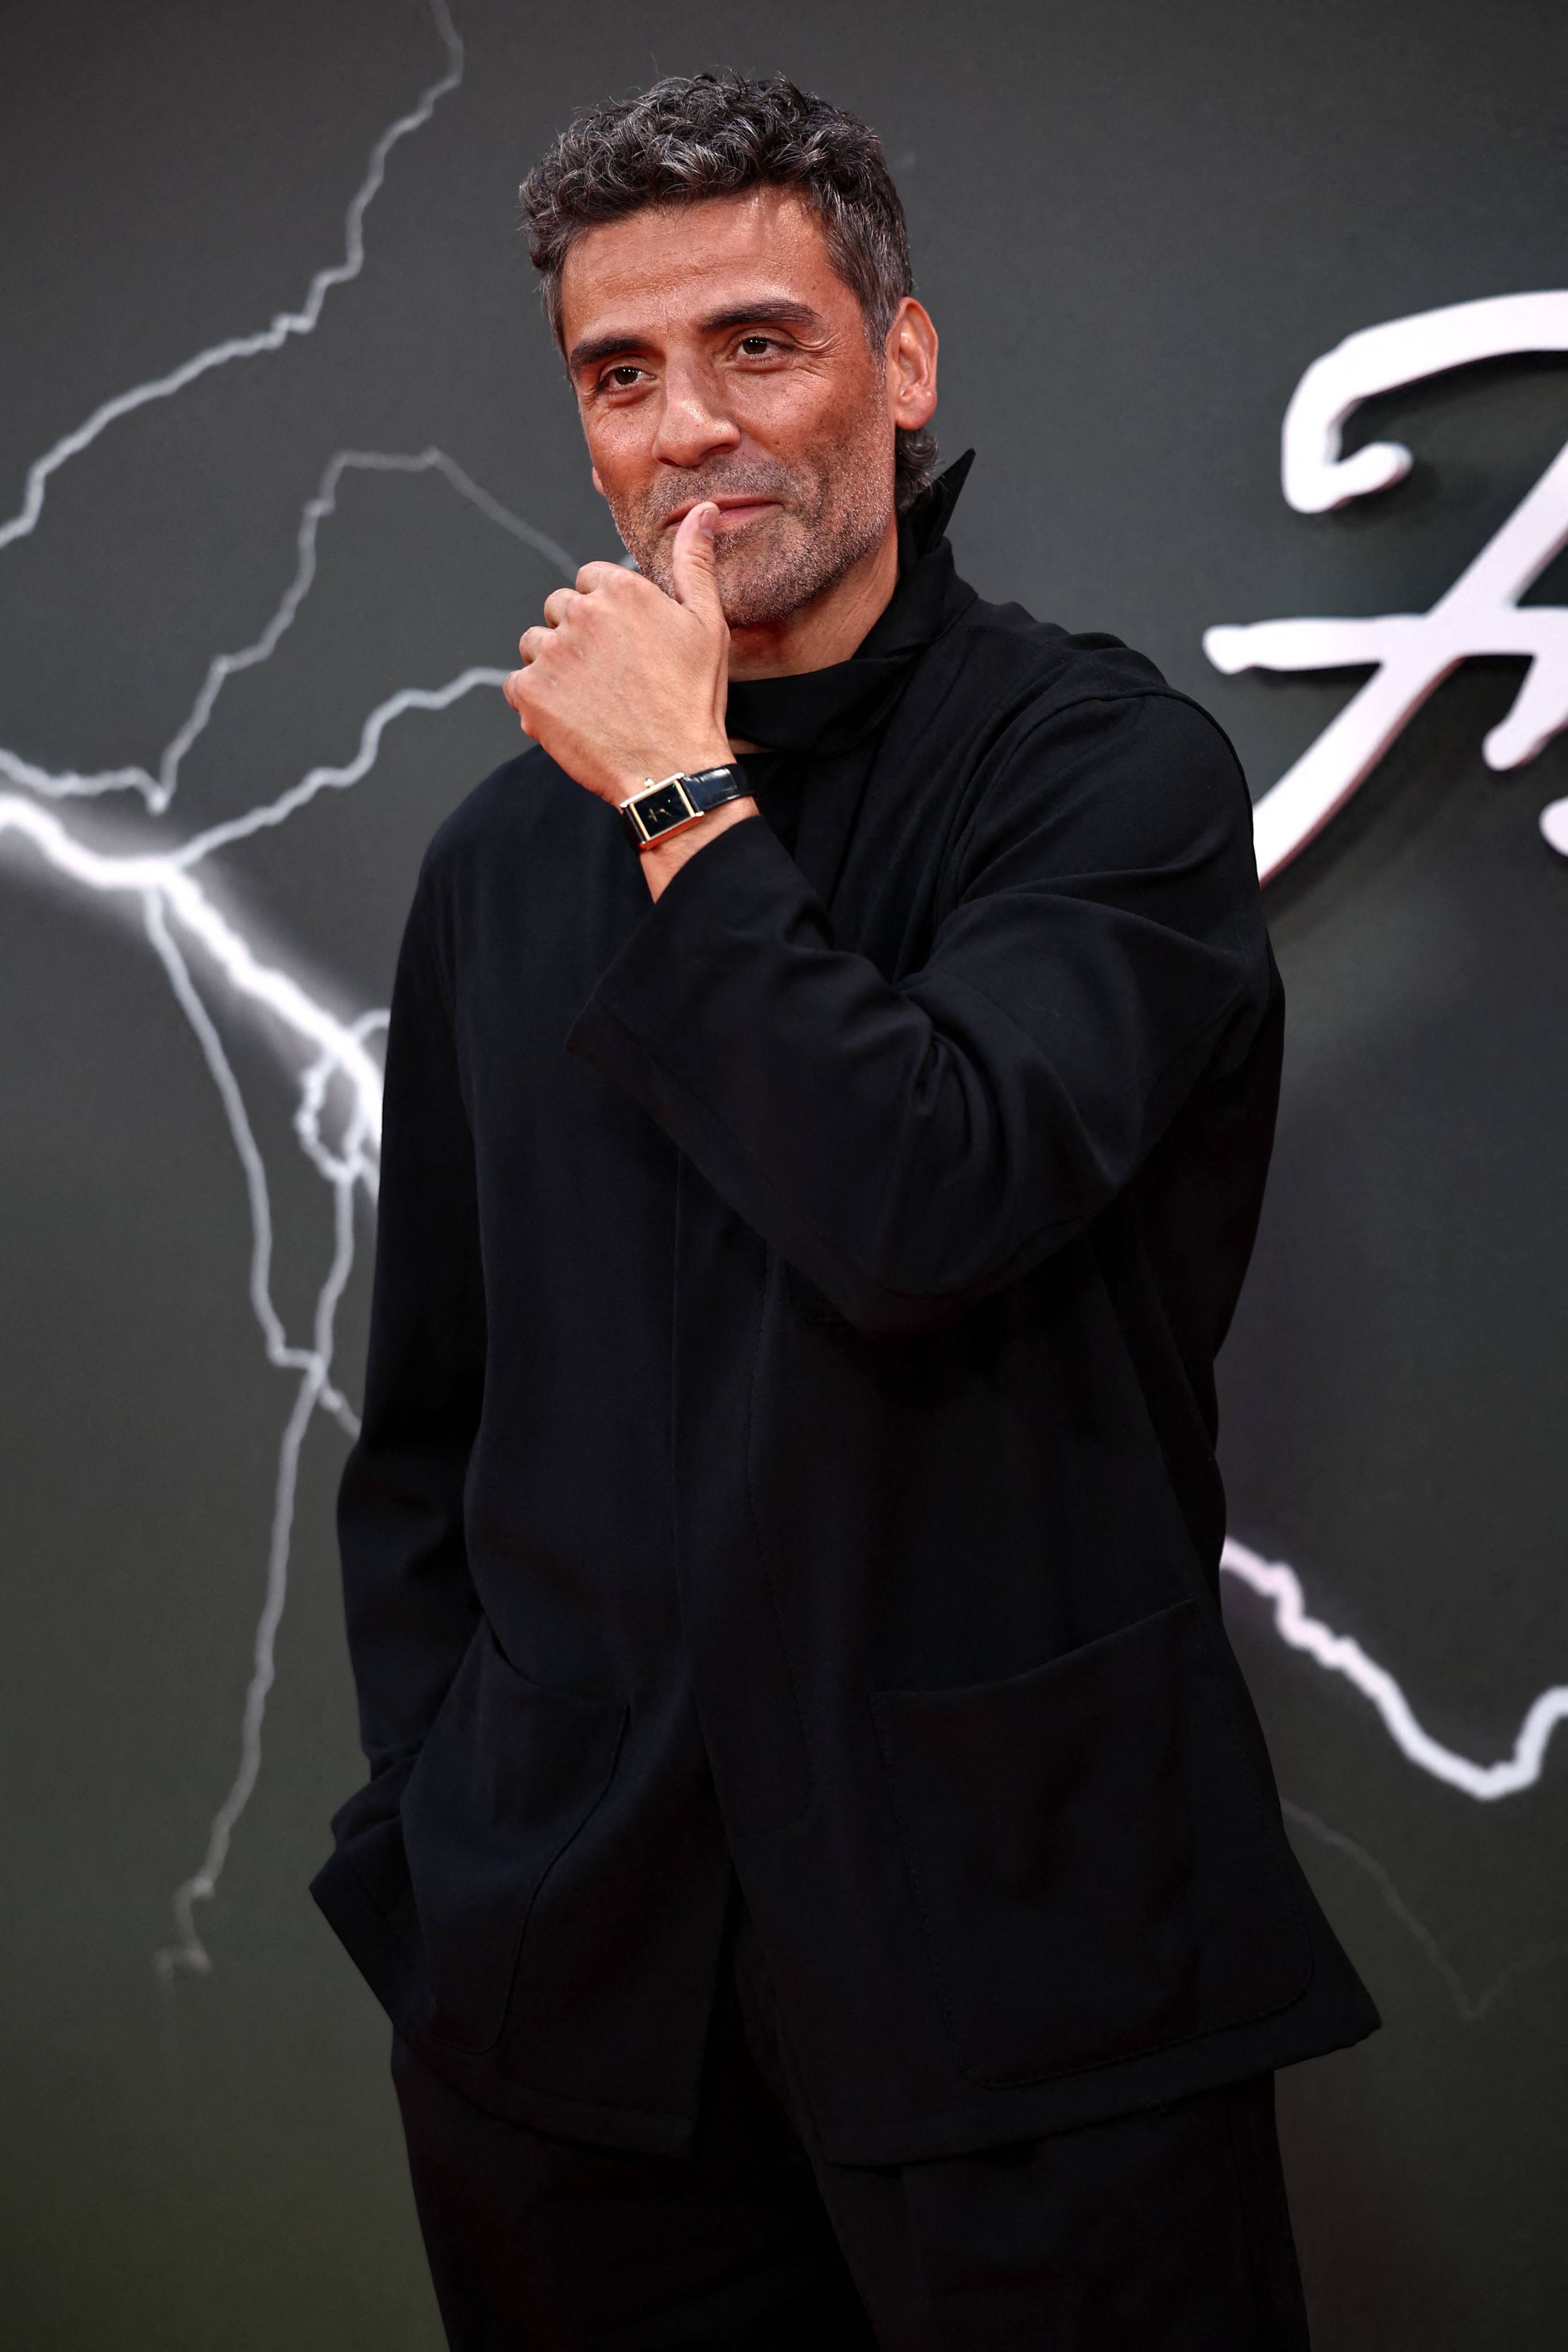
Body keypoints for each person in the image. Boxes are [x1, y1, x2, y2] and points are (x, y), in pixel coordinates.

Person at [312, 69, 1378, 2350]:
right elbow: (431, 1419)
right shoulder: (501, 864)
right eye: (621, 373)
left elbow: (916, 1192)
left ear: (900, 360)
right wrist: (448, 1855)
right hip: (573, 2037)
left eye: (757, 344)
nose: (687, 427)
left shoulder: (1103, 777)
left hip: (1031, 2003)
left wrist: (686, 793)